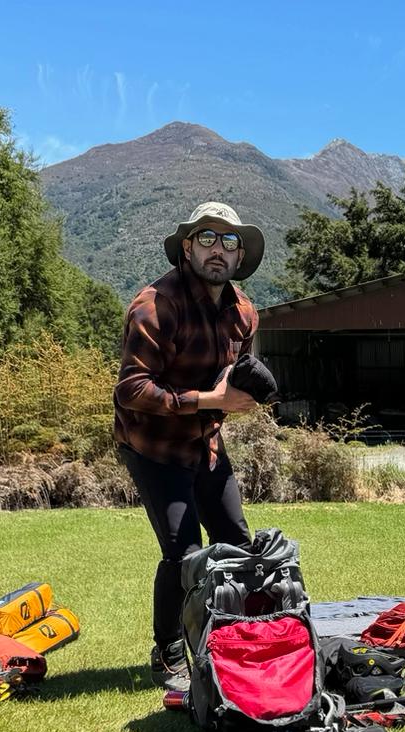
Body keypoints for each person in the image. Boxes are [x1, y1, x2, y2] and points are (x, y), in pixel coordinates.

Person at [114, 201, 266, 687]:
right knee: (183, 552)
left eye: (228, 241)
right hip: (152, 445)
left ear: (239, 256)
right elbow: (131, 390)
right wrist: (209, 399)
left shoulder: (243, 312)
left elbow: (229, 374)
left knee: (237, 545)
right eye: (206, 238)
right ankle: (169, 651)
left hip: (205, 442)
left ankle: (229, 637)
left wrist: (244, 388)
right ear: (187, 247)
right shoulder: (155, 307)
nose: (217, 249)